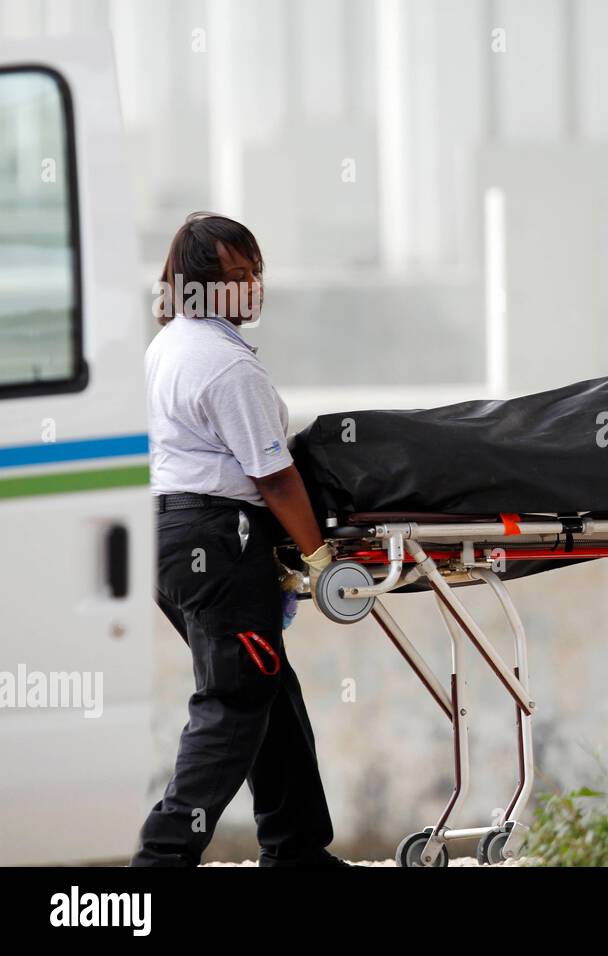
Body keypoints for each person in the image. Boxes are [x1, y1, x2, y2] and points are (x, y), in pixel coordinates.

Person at [130, 212, 342, 865]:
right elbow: (275, 478)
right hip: (217, 540)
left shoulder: (168, 344)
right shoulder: (226, 366)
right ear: (201, 286)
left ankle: (298, 849)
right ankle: (159, 863)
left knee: (266, 688)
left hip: (168, 536)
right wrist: (321, 557)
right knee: (233, 701)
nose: (252, 288)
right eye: (236, 276)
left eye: (256, 273)